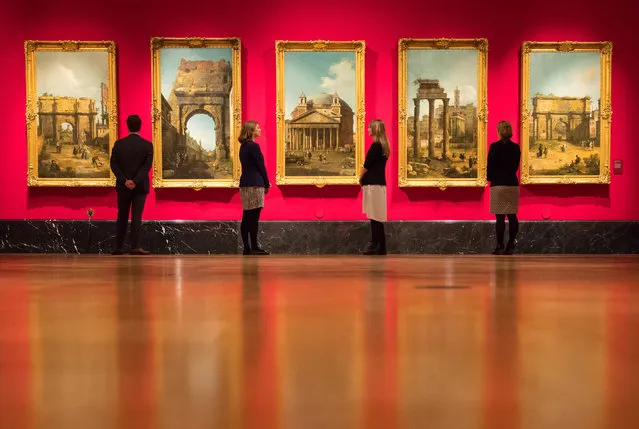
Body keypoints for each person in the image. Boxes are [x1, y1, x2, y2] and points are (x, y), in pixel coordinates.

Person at [109, 114, 153, 255]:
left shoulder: (118, 144)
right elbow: (146, 167)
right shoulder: (147, 145)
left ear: (127, 126)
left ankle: (118, 247)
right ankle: (135, 247)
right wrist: (135, 181)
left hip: (123, 186)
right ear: (140, 126)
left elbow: (114, 165)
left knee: (122, 215)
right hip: (139, 187)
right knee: (136, 216)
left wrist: (125, 180)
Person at [487, 120, 521, 255]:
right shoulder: (516, 147)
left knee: (499, 217)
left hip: (498, 184)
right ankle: (511, 243)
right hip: (512, 183)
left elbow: (490, 166)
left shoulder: (494, 147)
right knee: (512, 216)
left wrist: (491, 178)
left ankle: (499, 245)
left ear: (499, 131)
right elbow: (515, 167)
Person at [238, 120, 270, 255]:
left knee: (247, 216)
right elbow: (260, 166)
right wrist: (267, 183)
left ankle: (247, 247)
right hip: (255, 184)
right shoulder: (254, 146)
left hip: (245, 183)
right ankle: (254, 247)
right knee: (254, 217)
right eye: (258, 128)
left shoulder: (243, 146)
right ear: (251, 131)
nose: (260, 130)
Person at [360, 119, 390, 255]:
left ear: (375, 129)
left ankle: (378, 246)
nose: (368, 130)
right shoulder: (383, 146)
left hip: (373, 184)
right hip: (378, 183)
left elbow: (366, 166)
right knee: (376, 215)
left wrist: (359, 177)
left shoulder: (376, 146)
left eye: (369, 128)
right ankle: (378, 245)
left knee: (375, 216)